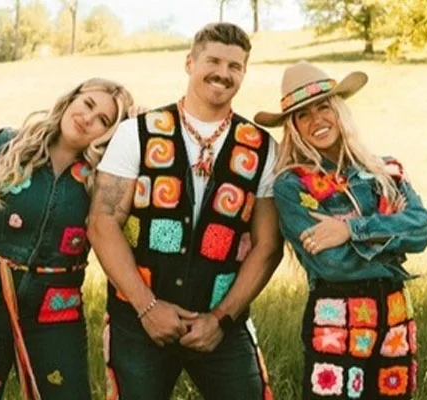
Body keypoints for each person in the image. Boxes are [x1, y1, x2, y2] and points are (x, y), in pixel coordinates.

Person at [87, 22, 283, 400]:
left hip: (221, 323)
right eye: (213, 61)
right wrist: (147, 307)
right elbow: (102, 222)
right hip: (138, 320)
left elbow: (268, 245)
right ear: (189, 63)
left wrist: (220, 319)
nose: (223, 73)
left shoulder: (261, 148)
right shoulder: (137, 133)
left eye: (235, 66)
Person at [0, 78, 134, 400]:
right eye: (88, 104)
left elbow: (116, 232)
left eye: (103, 120)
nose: (87, 118)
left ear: (110, 133)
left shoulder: (105, 179)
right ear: (71, 98)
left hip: (55, 309)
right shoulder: (5, 145)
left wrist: (134, 133)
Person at [254, 61, 427, 399]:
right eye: (303, 115)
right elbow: (333, 264)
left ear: (339, 110)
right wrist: (393, 240)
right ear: (293, 127)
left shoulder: (386, 170)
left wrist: (351, 230)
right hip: (335, 317)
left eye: (324, 107)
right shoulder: (293, 186)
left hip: (395, 314)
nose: (316, 120)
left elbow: (421, 229)